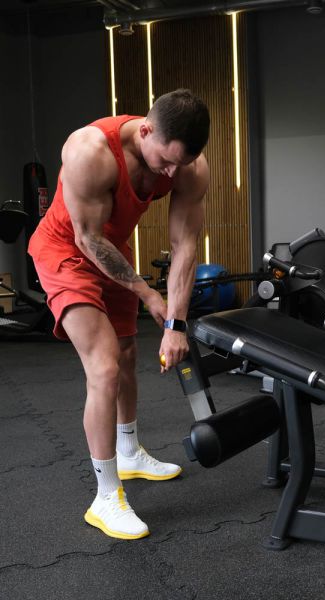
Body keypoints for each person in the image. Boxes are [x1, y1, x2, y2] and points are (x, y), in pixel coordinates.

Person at [28, 89, 210, 540]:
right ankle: (106, 496)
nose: (171, 173)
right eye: (165, 162)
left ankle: (129, 452)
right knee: (105, 366)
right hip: (66, 250)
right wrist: (148, 295)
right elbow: (88, 238)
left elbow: (186, 244)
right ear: (145, 130)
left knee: (128, 354)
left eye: (180, 164)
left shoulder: (188, 166)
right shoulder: (89, 151)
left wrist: (176, 324)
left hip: (114, 251)